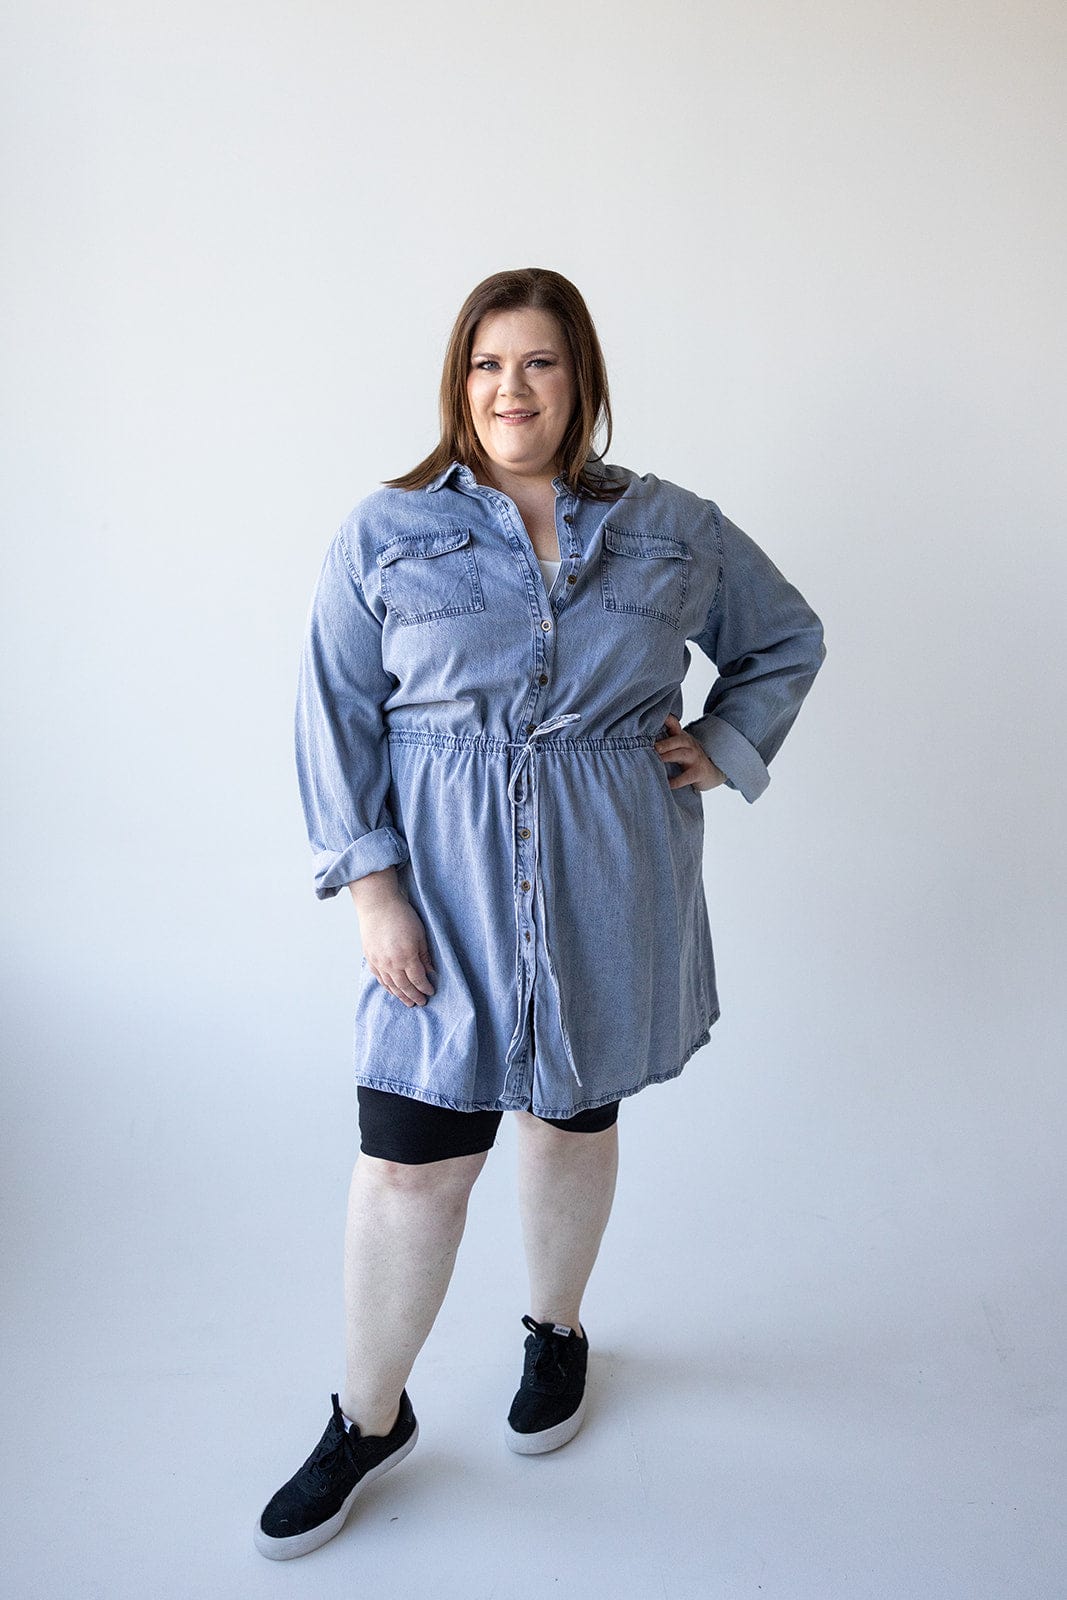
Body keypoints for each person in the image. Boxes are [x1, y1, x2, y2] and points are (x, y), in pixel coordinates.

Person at [254, 267, 826, 1560]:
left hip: (607, 885)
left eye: (541, 364)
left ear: (583, 381)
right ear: (460, 385)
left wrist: (723, 743)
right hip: (441, 906)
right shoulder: (388, 533)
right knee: (411, 1161)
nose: (512, 389)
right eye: (487, 365)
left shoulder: (674, 530)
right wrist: (373, 891)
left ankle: (556, 1333)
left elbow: (785, 636)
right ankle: (368, 1414)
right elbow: (333, 714)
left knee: (571, 1122)